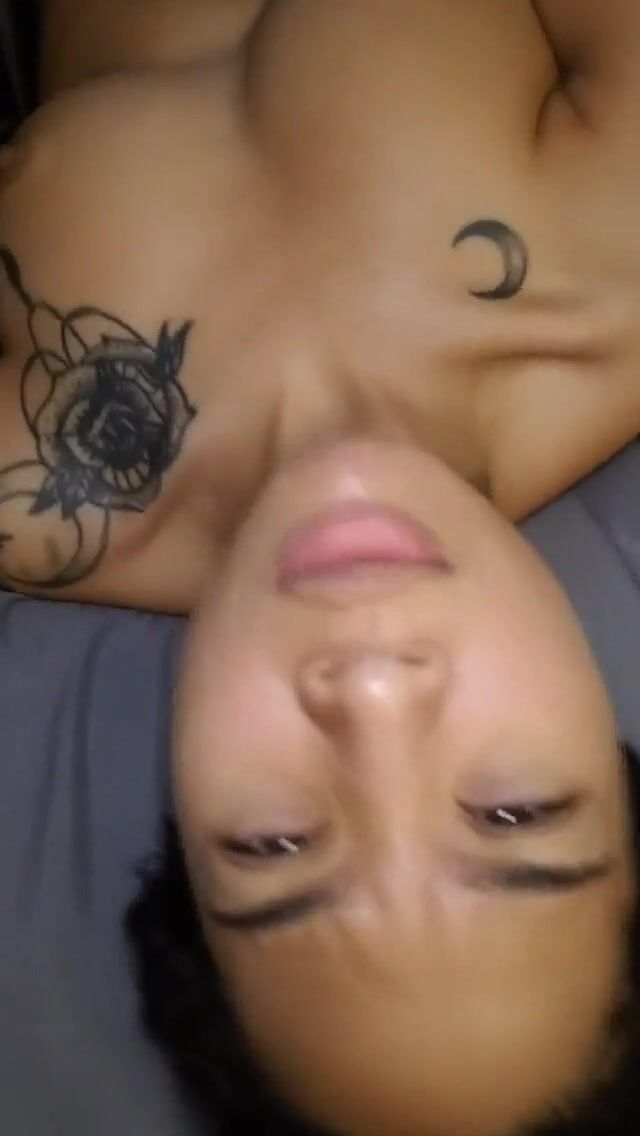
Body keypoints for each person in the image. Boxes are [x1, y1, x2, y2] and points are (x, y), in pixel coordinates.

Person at [2, 1, 640, 1133]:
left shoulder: (39, 497)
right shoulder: (611, 270)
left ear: (180, 832)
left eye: (277, 844)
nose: (373, 694)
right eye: (512, 810)